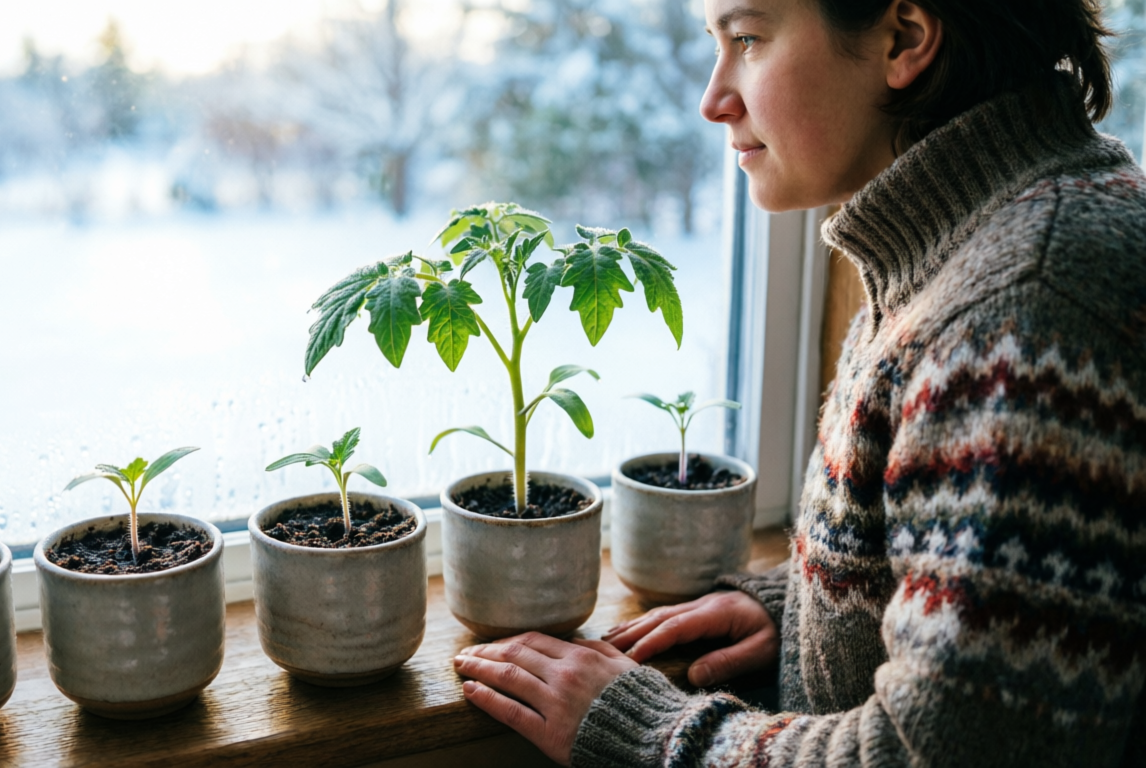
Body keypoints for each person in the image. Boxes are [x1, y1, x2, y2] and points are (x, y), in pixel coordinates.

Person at [451, 0, 1146, 765]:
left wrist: (655, 736)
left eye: (747, 38)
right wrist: (813, 608)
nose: (713, 98)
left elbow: (938, 753)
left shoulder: (1025, 308)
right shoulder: (966, 249)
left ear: (902, 39)